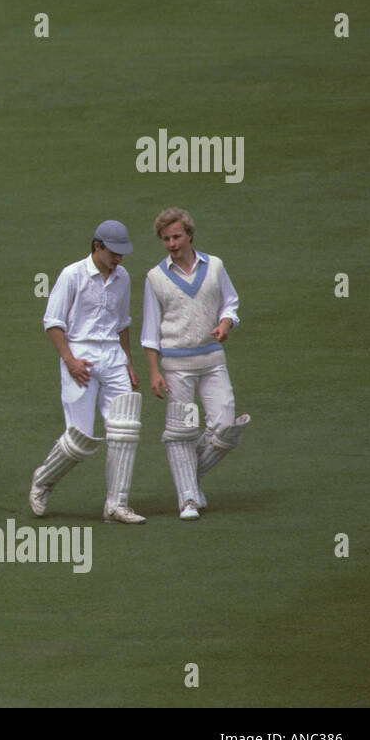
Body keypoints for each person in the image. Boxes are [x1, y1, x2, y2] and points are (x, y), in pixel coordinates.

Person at [29, 220, 145, 524]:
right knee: (79, 439)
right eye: (113, 252)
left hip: (113, 357)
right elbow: (53, 322)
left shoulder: (123, 277)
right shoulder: (72, 274)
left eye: (122, 253)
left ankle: (116, 505)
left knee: (124, 428)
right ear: (97, 246)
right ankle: (43, 480)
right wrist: (70, 360)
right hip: (80, 354)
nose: (118, 258)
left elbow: (122, 323)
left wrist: (128, 361)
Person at [141, 208, 248, 520]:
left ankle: (189, 477)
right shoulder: (155, 277)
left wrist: (226, 324)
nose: (172, 243)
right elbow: (150, 330)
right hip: (176, 367)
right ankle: (187, 498)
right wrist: (154, 372)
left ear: (189, 235)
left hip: (213, 360)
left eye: (177, 236)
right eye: (165, 239)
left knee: (225, 428)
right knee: (182, 432)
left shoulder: (214, 266)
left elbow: (231, 302)